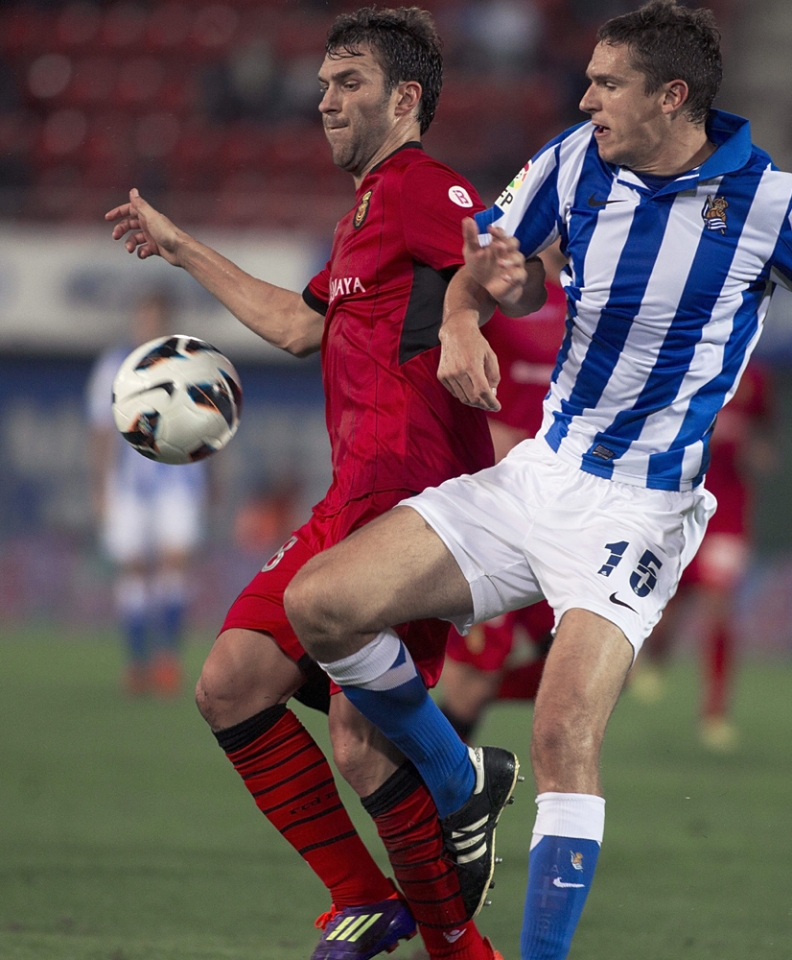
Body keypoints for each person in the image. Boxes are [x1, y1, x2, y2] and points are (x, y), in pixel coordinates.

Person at [283, 3, 792, 958]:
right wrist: (466, 315)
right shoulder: (574, 159)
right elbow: (500, 276)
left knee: (565, 735)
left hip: (640, 510)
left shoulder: (773, 206)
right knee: (320, 605)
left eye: (608, 84)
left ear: (672, 97)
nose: (586, 98)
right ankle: (456, 779)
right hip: (537, 475)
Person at [106, 8, 509, 960]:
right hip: (348, 503)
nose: (325, 100)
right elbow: (300, 326)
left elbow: (500, 264)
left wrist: (465, 321)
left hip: (414, 504)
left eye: (350, 83)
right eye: (324, 83)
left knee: (361, 743)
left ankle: (465, 946)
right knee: (231, 682)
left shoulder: (425, 189)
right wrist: (182, 248)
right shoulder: (365, 213)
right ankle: (367, 896)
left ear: (405, 98)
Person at [439, 244, 566, 744]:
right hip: (497, 501)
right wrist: (482, 433)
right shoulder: (497, 288)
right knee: (470, 685)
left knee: (593, 663)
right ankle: (428, 785)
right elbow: (445, 364)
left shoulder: (597, 292)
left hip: (561, 507)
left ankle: (411, 739)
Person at [631, 360, 775, 751]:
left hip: (729, 512)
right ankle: (655, 658)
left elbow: (764, 438)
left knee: (718, 603)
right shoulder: (692, 358)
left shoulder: (757, 379)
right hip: (682, 505)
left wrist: (756, 453)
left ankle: (715, 713)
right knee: (673, 604)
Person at [86, 289, 206, 698]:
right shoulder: (114, 366)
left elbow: (217, 422)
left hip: (179, 481)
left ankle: (167, 660)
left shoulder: (192, 361)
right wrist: (100, 487)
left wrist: (215, 477)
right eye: (144, 316)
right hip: (129, 486)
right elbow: (101, 432)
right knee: (134, 570)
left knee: (175, 565)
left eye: (157, 316)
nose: (149, 323)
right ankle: (137, 663)